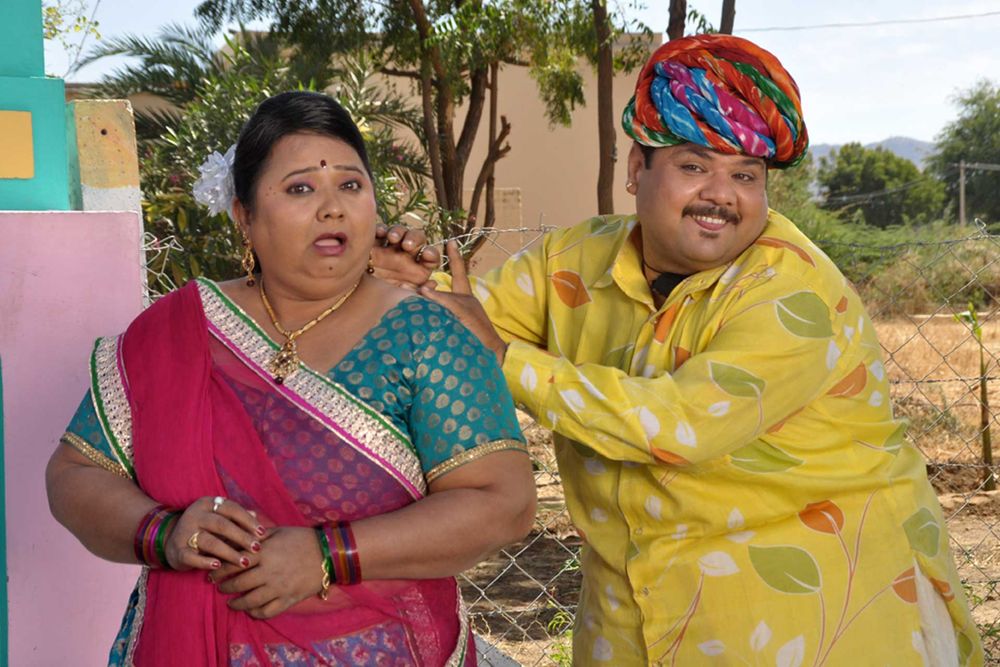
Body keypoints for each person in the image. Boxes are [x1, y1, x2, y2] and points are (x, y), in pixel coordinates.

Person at [380, 34, 984, 666]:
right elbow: (458, 327)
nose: (720, 194)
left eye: (744, 175)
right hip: (629, 618)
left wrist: (502, 358)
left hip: (818, 615)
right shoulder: (574, 260)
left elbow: (678, 426)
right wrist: (403, 286)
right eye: (694, 166)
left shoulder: (795, 291)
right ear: (636, 168)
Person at [46, 90, 536, 667]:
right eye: (301, 189)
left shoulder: (426, 334)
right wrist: (165, 533)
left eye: (350, 185)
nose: (332, 208)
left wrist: (328, 554)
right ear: (244, 215)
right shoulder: (176, 332)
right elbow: (76, 473)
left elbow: (502, 501)